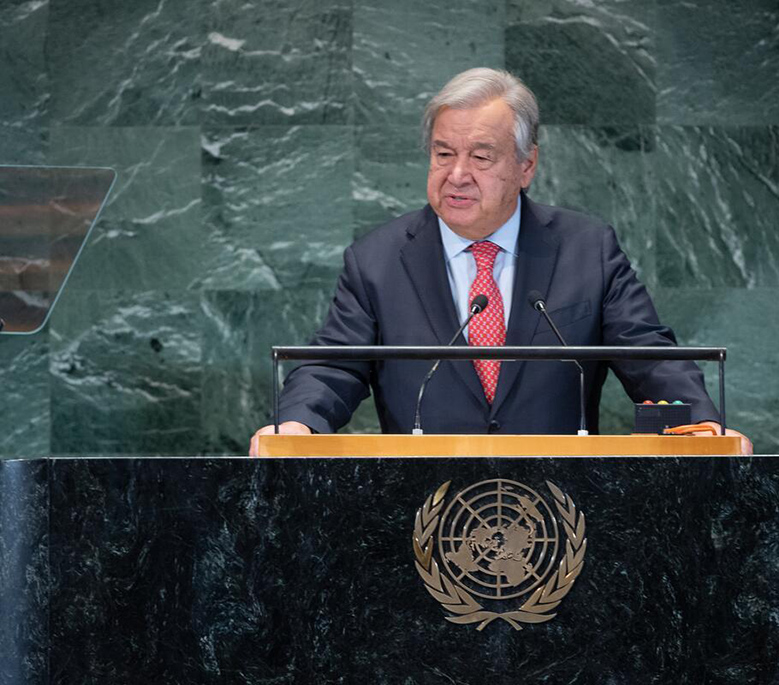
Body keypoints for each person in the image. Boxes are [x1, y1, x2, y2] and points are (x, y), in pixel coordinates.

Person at [250, 68, 751, 455]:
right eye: (444, 154)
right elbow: (331, 366)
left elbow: (649, 354)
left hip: (563, 513)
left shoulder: (587, 249)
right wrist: (296, 424)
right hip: (419, 516)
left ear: (526, 165)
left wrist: (701, 424)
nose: (457, 174)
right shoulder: (377, 260)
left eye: (482, 157)